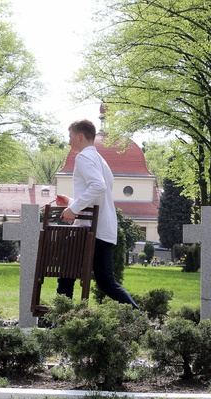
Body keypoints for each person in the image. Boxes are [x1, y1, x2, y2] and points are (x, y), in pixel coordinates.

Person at [55, 119, 138, 309]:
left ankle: (60, 320)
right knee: (106, 282)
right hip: (103, 229)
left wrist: (73, 210)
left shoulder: (83, 157)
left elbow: (97, 187)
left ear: (79, 136)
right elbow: (97, 196)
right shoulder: (101, 161)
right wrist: (70, 202)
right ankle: (137, 316)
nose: (69, 142)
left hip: (88, 231)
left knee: (67, 274)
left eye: (70, 137)